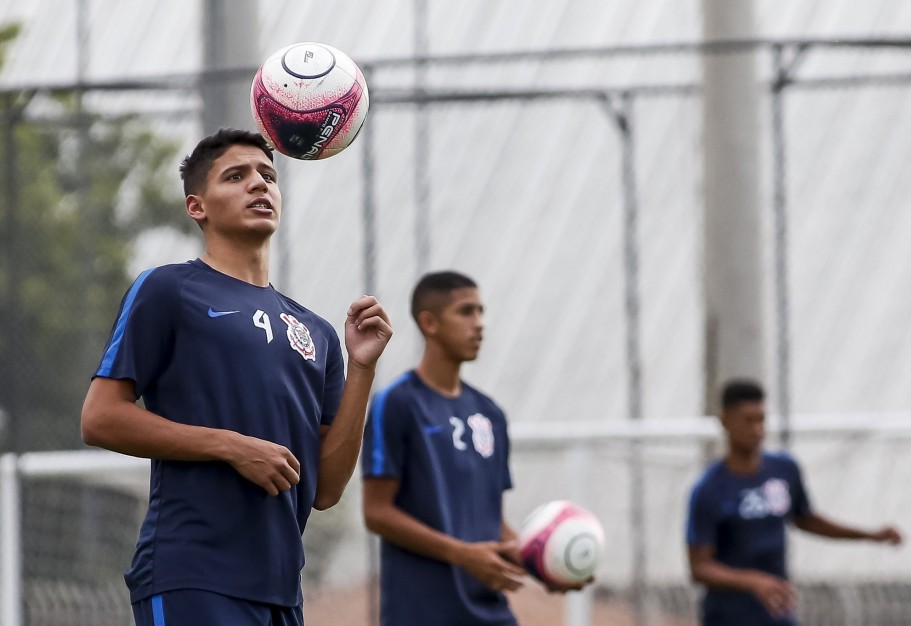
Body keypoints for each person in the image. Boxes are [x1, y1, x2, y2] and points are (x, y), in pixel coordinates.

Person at [80, 128, 393, 626]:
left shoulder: (317, 332)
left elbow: (326, 488)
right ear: (197, 206)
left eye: (268, 176)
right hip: (192, 575)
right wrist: (231, 446)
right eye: (236, 176)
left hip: (281, 591)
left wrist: (362, 369)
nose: (258, 184)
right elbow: (100, 419)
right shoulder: (168, 289)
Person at [361, 271, 582, 625]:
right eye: (466, 312)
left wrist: (546, 562)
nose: (479, 324)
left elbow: (491, 521)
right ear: (429, 323)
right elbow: (376, 512)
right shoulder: (397, 403)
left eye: (481, 312)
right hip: (422, 614)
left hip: (489, 612)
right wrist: (463, 554)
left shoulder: (490, 414)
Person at [685, 379, 903, 626]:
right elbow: (700, 567)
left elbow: (806, 518)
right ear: (725, 421)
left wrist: (870, 535)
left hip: (777, 609)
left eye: (761, 419)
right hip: (728, 615)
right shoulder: (709, 488)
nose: (756, 429)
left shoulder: (784, 469)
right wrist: (754, 581)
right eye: (748, 420)